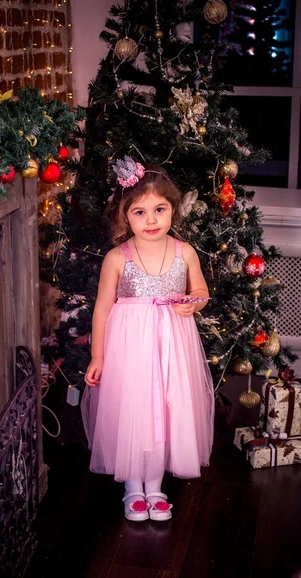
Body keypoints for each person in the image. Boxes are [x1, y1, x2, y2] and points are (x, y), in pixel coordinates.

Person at [81, 156, 214, 522]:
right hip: (130, 349)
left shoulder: (184, 252)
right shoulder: (116, 257)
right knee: (135, 410)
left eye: (159, 209)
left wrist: (195, 302)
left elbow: (200, 289)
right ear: (125, 217)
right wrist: (98, 357)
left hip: (171, 346)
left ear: (173, 210)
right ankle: (132, 488)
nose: (151, 219)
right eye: (140, 212)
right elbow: (102, 310)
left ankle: (154, 486)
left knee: (165, 413)